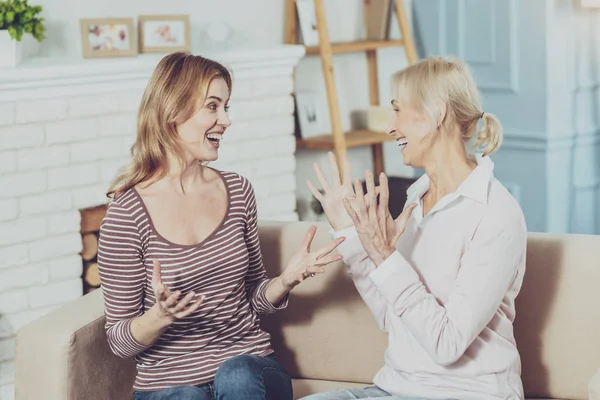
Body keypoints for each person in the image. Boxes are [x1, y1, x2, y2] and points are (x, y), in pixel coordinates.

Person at [97, 51, 346, 400]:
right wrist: (160, 315)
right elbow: (119, 341)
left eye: (227, 106)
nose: (226, 120)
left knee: (237, 374)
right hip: (169, 383)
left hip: (251, 366)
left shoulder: (238, 190)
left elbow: (252, 299)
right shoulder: (127, 214)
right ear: (173, 112)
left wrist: (286, 281)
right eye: (213, 106)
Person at [303, 56, 527, 400]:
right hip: (395, 388)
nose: (390, 127)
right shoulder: (415, 199)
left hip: (468, 393)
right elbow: (394, 319)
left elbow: (447, 343)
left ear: (436, 114)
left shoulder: (496, 213)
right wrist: (350, 233)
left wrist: (386, 256)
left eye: (397, 110)